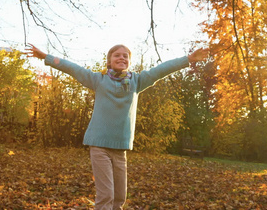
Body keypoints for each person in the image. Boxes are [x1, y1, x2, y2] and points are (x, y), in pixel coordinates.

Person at [26, 43, 209, 209]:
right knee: (106, 196)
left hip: (120, 149)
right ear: (109, 61)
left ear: (129, 62)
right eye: (117, 55)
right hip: (99, 146)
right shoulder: (98, 80)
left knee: (119, 198)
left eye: (125, 56)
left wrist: (188, 60)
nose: (122, 58)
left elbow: (161, 70)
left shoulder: (137, 81)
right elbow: (73, 68)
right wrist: (45, 57)